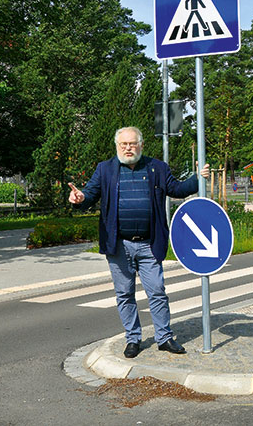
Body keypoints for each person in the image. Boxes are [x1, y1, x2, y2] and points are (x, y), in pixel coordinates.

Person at [68, 126, 210, 358]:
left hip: (148, 243)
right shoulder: (105, 169)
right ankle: (133, 339)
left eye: (132, 144)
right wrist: (80, 197)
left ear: (141, 145)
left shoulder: (157, 168)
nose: (128, 148)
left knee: (157, 291)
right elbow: (89, 195)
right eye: (123, 144)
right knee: (125, 294)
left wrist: (197, 179)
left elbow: (176, 189)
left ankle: (164, 337)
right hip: (119, 245)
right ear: (117, 146)